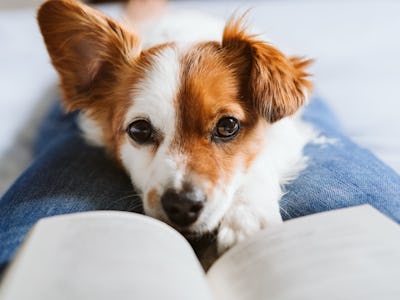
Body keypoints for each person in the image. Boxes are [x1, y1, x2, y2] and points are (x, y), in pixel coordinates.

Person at [1, 0, 399, 274]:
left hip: (237, 62)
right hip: (132, 67)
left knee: (313, 125)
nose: (183, 187)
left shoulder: (252, 68)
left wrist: (254, 190)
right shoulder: (113, 84)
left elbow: (285, 112)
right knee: (72, 137)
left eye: (225, 127)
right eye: (142, 131)